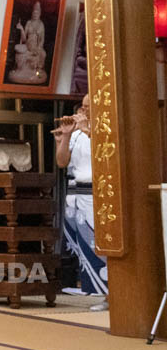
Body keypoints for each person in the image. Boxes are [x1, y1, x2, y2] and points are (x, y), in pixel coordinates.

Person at [53, 94, 108, 309]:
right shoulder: (76, 133)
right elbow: (61, 161)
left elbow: (106, 153)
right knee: (85, 246)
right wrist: (65, 136)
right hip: (79, 195)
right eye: (83, 107)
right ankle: (98, 291)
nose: (83, 111)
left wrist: (87, 130)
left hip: (98, 194)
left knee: (100, 245)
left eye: (88, 107)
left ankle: (111, 295)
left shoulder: (104, 129)